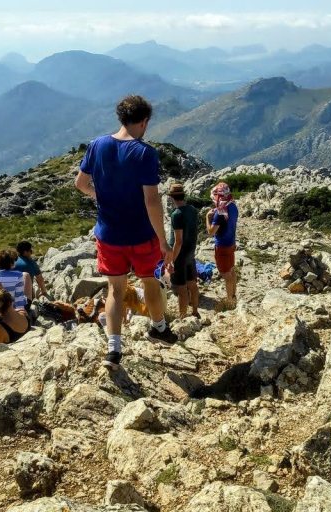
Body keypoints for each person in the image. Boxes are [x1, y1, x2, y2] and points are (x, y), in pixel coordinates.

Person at [75, 94, 178, 369]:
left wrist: (100, 196)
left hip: (109, 235)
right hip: (142, 235)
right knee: (150, 283)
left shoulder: (97, 145)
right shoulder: (145, 153)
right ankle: (159, 327)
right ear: (144, 122)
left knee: (115, 290)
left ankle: (114, 349)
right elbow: (152, 201)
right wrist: (163, 242)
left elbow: (80, 183)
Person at [168, 182, 200, 319]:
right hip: (191, 252)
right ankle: (195, 311)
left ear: (171, 198)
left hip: (180, 256)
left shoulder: (176, 214)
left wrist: (171, 261)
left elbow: (178, 241)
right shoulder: (192, 210)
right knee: (192, 283)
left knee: (181, 288)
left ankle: (182, 317)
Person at [206, 181, 238, 308]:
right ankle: (233, 295)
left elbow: (210, 232)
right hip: (231, 243)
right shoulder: (233, 206)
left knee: (226, 274)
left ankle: (230, 300)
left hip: (222, 246)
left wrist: (207, 217)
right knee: (231, 270)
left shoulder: (220, 212)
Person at [0, 248, 31, 315]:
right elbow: (19, 297)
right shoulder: (18, 275)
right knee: (26, 275)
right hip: (11, 310)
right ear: (12, 262)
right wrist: (21, 312)